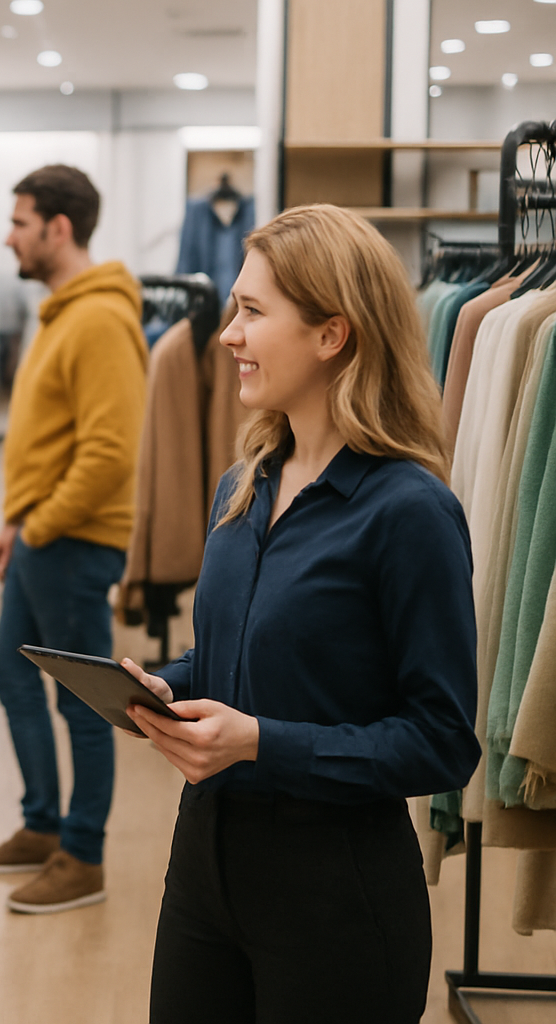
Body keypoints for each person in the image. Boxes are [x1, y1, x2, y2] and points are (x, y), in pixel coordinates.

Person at [122, 204, 480, 1023]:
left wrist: (259, 742)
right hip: (205, 872)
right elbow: (227, 663)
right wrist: (160, 689)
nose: (226, 336)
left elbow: (442, 739)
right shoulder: (241, 484)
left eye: (252, 313)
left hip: (338, 896)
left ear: (332, 334)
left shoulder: (408, 512)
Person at [0, 165, 148, 914]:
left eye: (19, 221)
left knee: (84, 702)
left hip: (71, 543)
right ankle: (43, 826)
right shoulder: (61, 313)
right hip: (42, 537)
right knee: (11, 674)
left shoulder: (101, 318)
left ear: (58, 228)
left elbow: (109, 451)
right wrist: (15, 525)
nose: (9, 235)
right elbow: (47, 443)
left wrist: (38, 526)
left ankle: (84, 855)